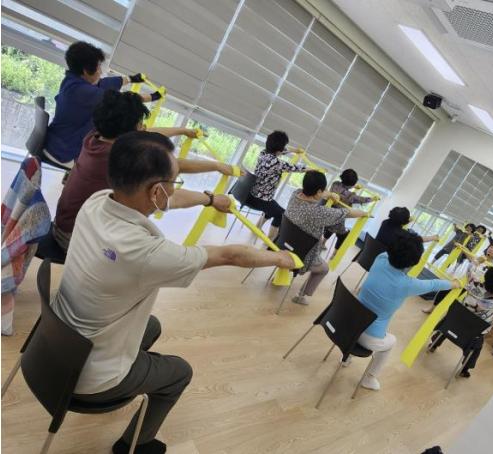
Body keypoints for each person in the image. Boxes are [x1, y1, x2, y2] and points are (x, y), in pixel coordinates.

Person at [51, 131, 296, 454]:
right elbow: (230, 255)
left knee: (151, 325)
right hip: (88, 376)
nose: (174, 189)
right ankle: (135, 445)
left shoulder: (97, 201)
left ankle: (130, 371)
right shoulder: (146, 253)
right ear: (156, 190)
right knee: (179, 373)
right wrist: (280, 258)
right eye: (173, 181)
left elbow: (169, 200)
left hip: (54, 345)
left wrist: (210, 199)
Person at [52, 90, 237, 252]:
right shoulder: (125, 160)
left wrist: (182, 130)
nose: (143, 128)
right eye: (140, 124)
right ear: (132, 131)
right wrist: (211, 197)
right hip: (75, 239)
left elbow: (146, 134)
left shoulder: (96, 135)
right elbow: (169, 195)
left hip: (64, 224)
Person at [355, 235, 460, 391]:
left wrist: (414, 241)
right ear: (414, 262)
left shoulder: (381, 258)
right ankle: (369, 378)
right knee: (391, 342)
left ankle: (346, 358)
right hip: (367, 336)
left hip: (348, 320)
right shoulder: (407, 284)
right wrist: (454, 284)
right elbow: (433, 284)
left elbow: (400, 244)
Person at [44, 41, 161, 166]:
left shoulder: (71, 81)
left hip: (57, 140)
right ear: (86, 71)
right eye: (98, 67)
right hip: (64, 151)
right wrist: (153, 97)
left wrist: (131, 79)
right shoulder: (82, 92)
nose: (100, 71)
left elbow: (102, 84)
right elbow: (122, 101)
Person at [429, 266, 493, 377]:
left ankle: (435, 343)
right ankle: (465, 369)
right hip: (472, 335)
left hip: (452, 323)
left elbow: (470, 270)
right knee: (477, 346)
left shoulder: (474, 284)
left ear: (486, 277)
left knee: (455, 320)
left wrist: (477, 262)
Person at [284, 171, 368, 306]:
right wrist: (363, 213)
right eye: (323, 190)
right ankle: (301, 296)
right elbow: (346, 212)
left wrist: (330, 194)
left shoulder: (295, 194)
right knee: (324, 268)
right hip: (302, 255)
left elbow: (320, 195)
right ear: (318, 191)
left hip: (283, 244)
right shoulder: (319, 213)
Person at [246, 130, 307, 239]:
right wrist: (314, 170)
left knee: (273, 207)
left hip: (252, 194)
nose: (284, 149)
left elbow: (282, 151)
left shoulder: (263, 153)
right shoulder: (276, 163)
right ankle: (269, 240)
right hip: (261, 200)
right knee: (282, 215)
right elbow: (296, 168)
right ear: (279, 149)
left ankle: (257, 227)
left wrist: (295, 150)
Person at [322, 169, 372, 252]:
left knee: (330, 228)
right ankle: (334, 254)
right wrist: (373, 199)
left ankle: (323, 243)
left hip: (328, 214)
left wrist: (353, 187)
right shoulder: (351, 196)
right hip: (338, 218)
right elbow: (363, 200)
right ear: (351, 185)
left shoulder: (335, 184)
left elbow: (343, 189)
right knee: (343, 236)